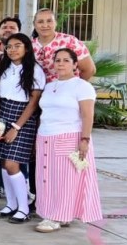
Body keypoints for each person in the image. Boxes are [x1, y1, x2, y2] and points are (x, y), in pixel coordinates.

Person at [34, 48, 101, 233]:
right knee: (46, 178)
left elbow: (87, 115)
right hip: (45, 136)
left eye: (66, 60)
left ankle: (57, 216)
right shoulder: (49, 86)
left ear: (75, 64)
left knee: (65, 180)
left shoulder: (82, 86)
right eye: (58, 60)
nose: (61, 64)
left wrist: (85, 139)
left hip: (69, 136)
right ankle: (52, 213)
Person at [0, 34, 45, 224]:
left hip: (23, 118)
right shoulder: (4, 68)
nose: (12, 50)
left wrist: (16, 126)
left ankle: (23, 208)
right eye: (9, 46)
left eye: (17, 46)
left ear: (27, 48)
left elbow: (33, 102)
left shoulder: (35, 70)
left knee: (12, 164)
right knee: (3, 163)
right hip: (3, 114)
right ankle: (11, 204)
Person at [32, 8, 96, 81]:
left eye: (49, 21)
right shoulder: (29, 45)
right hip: (37, 88)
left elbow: (90, 69)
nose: (45, 25)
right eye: (40, 22)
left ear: (55, 23)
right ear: (34, 24)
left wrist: (74, 85)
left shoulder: (70, 41)